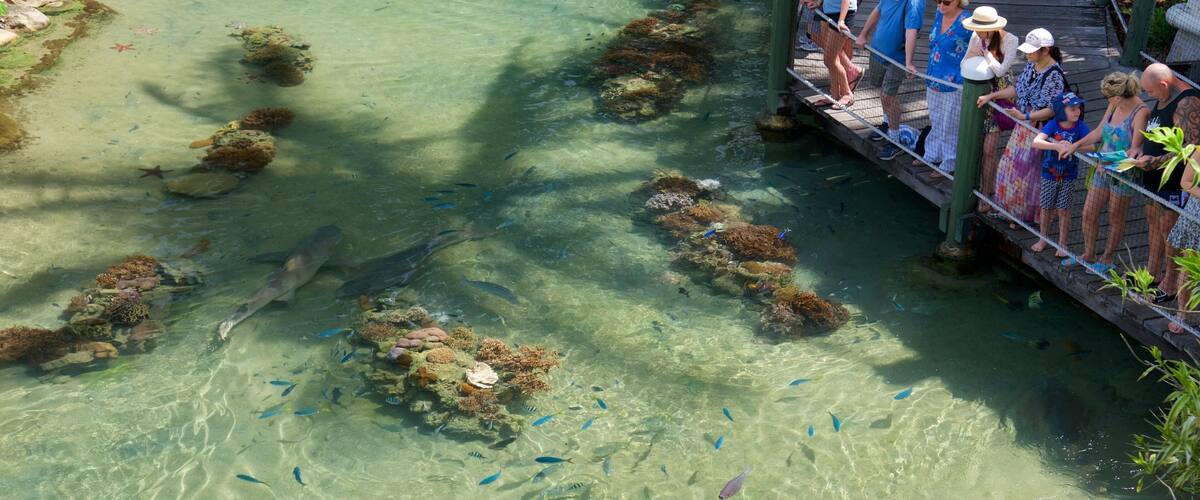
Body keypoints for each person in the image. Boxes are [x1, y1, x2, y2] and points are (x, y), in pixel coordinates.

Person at [976, 28, 1065, 224]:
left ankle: (1023, 216)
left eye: (1032, 51)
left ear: (1046, 50)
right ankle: (1008, 210)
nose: (1027, 54)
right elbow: (1016, 88)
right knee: (1010, 167)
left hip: (1038, 129)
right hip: (1023, 124)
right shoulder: (1032, 66)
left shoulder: (1055, 75)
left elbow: (1051, 109)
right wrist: (992, 96)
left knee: (1027, 173)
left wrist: (1025, 115)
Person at [1067, 72, 1148, 273]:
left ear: (1119, 96)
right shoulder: (1114, 105)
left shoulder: (1141, 112)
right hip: (1102, 168)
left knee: (1115, 216)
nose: (1107, 100)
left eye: (1108, 97)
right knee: (1088, 213)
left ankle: (1108, 257)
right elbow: (1098, 132)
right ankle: (1089, 253)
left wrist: (1110, 161)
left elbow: (1134, 150)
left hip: (1123, 173)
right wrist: (1074, 145)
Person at [1134, 63, 1200, 307]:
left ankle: (1170, 283)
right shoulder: (1163, 96)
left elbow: (1190, 149)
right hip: (1152, 178)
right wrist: (1140, 151)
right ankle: (1152, 273)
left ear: (1163, 84)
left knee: (1170, 233)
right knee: (1154, 225)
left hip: (1173, 183)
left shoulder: (1187, 103)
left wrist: (1156, 161)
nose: (1148, 96)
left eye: (1150, 92)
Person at [962, 7, 1018, 212]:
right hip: (978, 94)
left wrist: (986, 55)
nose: (976, 33)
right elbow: (965, 62)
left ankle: (987, 192)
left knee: (989, 149)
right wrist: (980, 57)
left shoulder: (1010, 40)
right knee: (974, 143)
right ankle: (972, 186)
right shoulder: (976, 37)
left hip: (999, 96)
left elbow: (1001, 70)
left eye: (980, 29)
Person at [855, 0, 926, 161]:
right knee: (881, 91)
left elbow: (911, 31)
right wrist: (863, 34)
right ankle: (887, 124)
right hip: (877, 51)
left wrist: (908, 62)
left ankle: (895, 140)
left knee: (888, 96)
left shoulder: (914, 3)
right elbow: (878, 10)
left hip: (897, 59)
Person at [1031, 92, 1089, 256]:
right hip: (1048, 174)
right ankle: (1043, 238)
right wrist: (1056, 146)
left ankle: (1063, 243)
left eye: (1078, 108)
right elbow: (1036, 142)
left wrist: (1073, 147)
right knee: (1046, 207)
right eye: (1072, 109)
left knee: (1064, 209)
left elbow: (1092, 146)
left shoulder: (1081, 127)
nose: (1077, 112)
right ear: (1062, 110)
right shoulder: (1053, 124)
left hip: (1068, 176)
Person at [917, 0, 971, 174]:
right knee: (936, 119)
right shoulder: (939, 14)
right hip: (933, 77)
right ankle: (932, 154)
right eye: (938, 0)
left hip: (953, 82)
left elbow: (986, 45)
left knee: (950, 124)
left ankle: (949, 162)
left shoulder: (967, 21)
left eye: (946, 2)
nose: (940, 4)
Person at [1166, 156, 1200, 334]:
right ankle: (1182, 314)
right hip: (1196, 215)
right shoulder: (1199, 151)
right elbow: (1185, 182)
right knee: (1188, 266)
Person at [814, 0, 861, 108]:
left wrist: (841, 20)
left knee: (829, 60)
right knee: (832, 59)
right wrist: (818, 2)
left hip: (842, 14)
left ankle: (847, 94)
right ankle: (835, 95)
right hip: (828, 10)